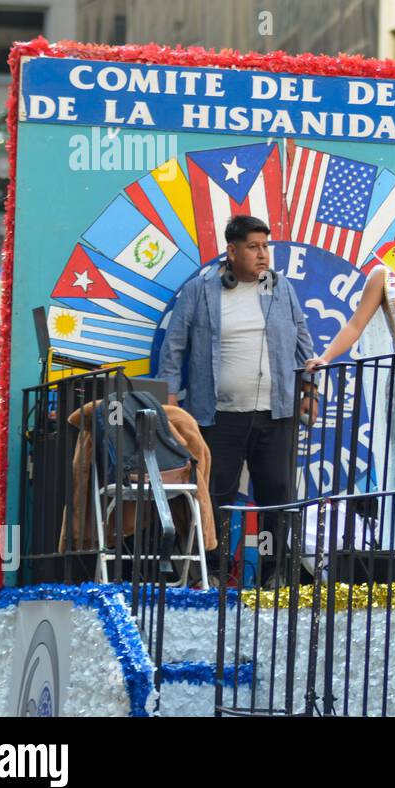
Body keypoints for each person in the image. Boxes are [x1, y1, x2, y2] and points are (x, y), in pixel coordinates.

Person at [158, 214, 317, 583]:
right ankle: (210, 572)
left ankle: (271, 573)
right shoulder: (201, 291)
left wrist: (309, 389)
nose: (263, 255)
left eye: (266, 247)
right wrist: (170, 404)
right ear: (232, 251)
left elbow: (302, 340)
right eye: (253, 247)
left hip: (276, 414)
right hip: (218, 416)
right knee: (216, 497)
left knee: (276, 497)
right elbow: (174, 348)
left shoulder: (281, 288)